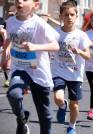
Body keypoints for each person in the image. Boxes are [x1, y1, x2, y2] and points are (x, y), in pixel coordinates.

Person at [1, 0, 60, 134]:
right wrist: (5, 55)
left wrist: (35, 47)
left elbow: (55, 46)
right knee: (13, 95)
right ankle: (22, 119)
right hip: (20, 68)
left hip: (38, 70)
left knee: (44, 113)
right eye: (17, 0)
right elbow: (9, 39)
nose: (20, 2)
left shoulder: (39, 23)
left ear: (36, 5)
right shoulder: (10, 22)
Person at [51, 1, 91, 134]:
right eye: (66, 15)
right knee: (58, 98)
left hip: (75, 74)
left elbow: (88, 56)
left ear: (76, 16)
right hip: (59, 71)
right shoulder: (55, 33)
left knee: (74, 105)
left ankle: (71, 127)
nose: (69, 17)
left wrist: (79, 52)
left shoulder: (81, 35)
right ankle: (62, 106)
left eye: (72, 14)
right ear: (61, 17)